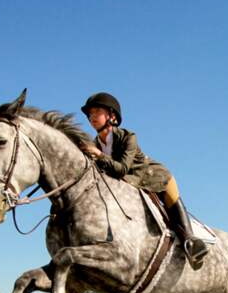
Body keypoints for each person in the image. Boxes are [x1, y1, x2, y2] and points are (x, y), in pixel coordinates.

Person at [79, 92, 209, 270]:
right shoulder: (95, 144)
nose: (92, 117)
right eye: (90, 114)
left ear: (112, 115)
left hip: (155, 179)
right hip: (127, 186)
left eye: (97, 112)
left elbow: (122, 169)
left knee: (172, 202)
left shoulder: (127, 136)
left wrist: (99, 155)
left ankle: (191, 242)